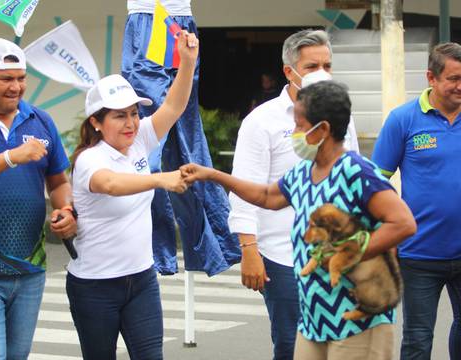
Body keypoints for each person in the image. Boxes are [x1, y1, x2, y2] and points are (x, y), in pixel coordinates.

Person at [182, 80, 417, 360]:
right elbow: (268, 197)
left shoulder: (356, 171)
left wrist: (351, 253)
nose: (293, 133)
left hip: (357, 318)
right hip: (314, 317)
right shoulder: (305, 171)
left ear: (323, 130)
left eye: (299, 125)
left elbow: (403, 223)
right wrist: (213, 175)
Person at [228, 29, 359, 360]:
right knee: (293, 344)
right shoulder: (262, 121)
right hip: (283, 255)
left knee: (339, 342)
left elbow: (352, 176)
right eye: (313, 66)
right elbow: (246, 189)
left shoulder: (342, 114)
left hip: (336, 252)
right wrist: (249, 249)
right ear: (289, 71)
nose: (322, 73)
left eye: (327, 65)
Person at [67, 31, 197, 360]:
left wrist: (188, 62)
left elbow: (173, 107)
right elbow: (110, 184)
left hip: (141, 279)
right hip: (95, 286)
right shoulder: (89, 159)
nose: (131, 123)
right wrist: (159, 180)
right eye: (120, 115)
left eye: (135, 113)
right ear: (96, 122)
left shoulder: (140, 139)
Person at [122, 0, 240, 276]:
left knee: (186, 141)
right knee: (148, 147)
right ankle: (155, 251)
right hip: (147, 18)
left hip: (179, 20)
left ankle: (215, 244)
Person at [0, 38, 76, 359]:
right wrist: (11, 156)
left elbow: (59, 181)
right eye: (6, 79)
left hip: (30, 269)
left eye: (21, 78)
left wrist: (65, 208)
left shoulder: (40, 120)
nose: (16, 87)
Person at [372, 42, 461, 360]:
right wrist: (388, 231)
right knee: (418, 338)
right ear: (431, 77)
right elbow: (376, 181)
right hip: (418, 252)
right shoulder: (403, 120)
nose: (460, 86)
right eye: (453, 78)